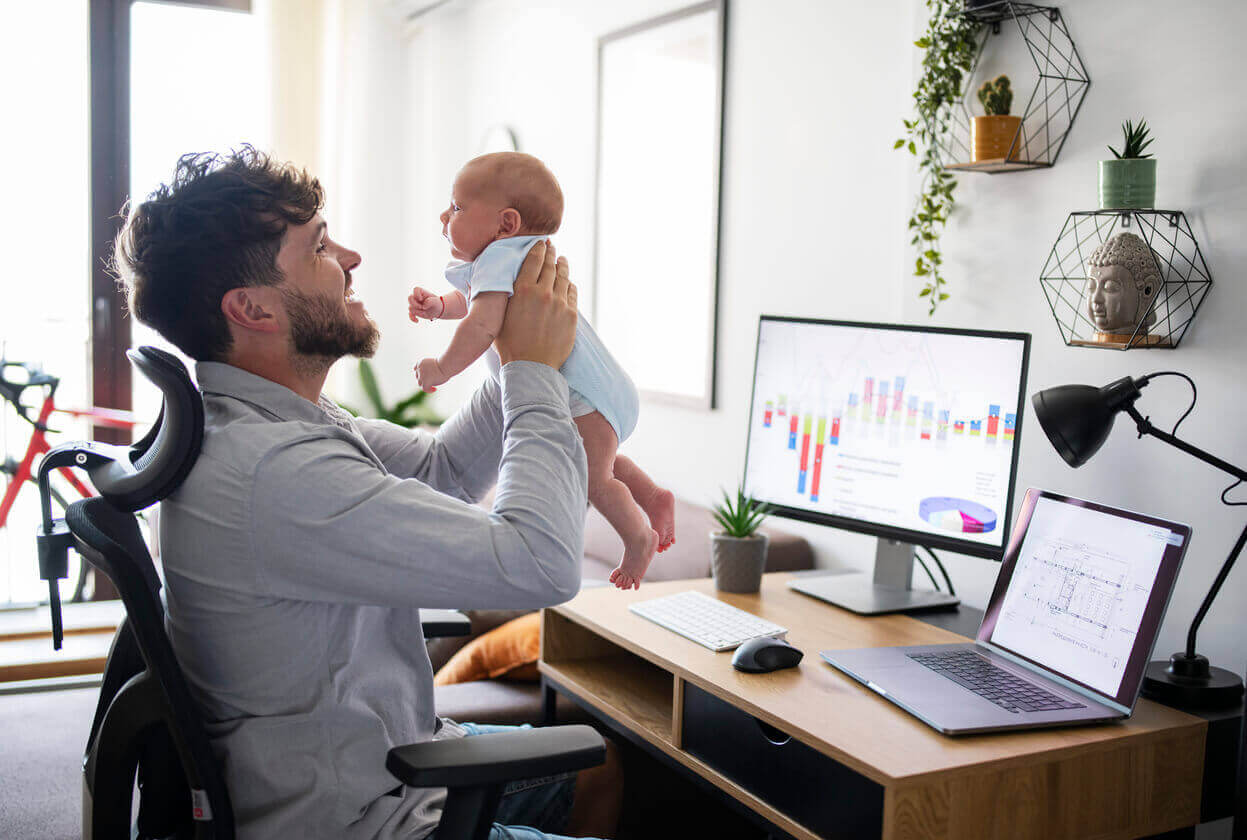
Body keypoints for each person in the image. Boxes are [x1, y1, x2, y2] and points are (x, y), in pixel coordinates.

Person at [113, 146, 623, 840]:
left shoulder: (275, 422)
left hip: (383, 761)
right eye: (320, 246)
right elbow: (542, 561)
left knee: (600, 767)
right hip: (368, 817)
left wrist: (513, 345)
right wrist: (534, 370)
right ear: (253, 307)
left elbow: (443, 471)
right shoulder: (278, 472)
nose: (350, 258)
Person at [408, 152, 675, 590]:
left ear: (506, 224)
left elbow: (481, 323)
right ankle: (653, 496)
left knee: (592, 478)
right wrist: (440, 306)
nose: (444, 215)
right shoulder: (511, 259)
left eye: (456, 207)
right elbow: (475, 302)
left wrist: (442, 368)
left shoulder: (500, 259)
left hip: (585, 396)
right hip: (599, 395)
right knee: (599, 462)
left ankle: (638, 537)